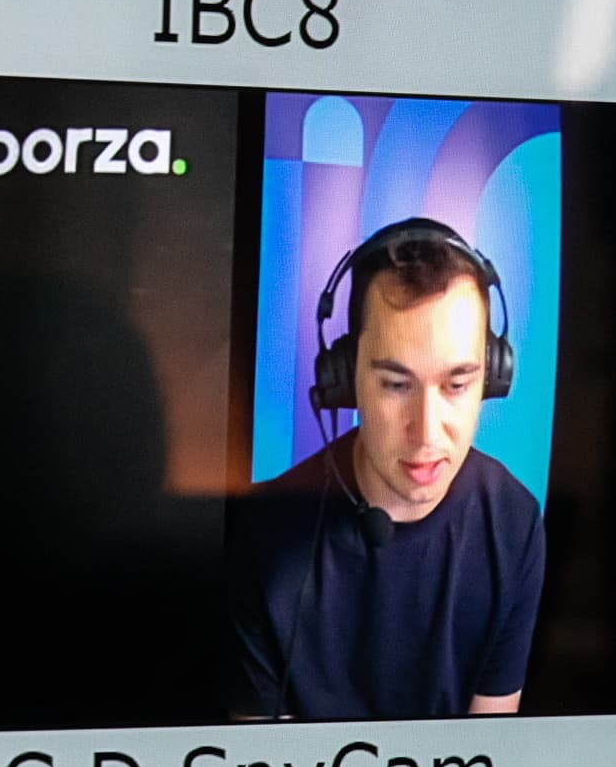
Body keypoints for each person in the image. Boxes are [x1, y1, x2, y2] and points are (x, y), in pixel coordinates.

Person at [226, 220, 546, 719]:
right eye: (397, 385)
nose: (426, 433)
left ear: (493, 376)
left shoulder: (514, 523)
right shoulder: (262, 533)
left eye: (457, 385)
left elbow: (489, 750)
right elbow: (258, 761)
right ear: (345, 376)